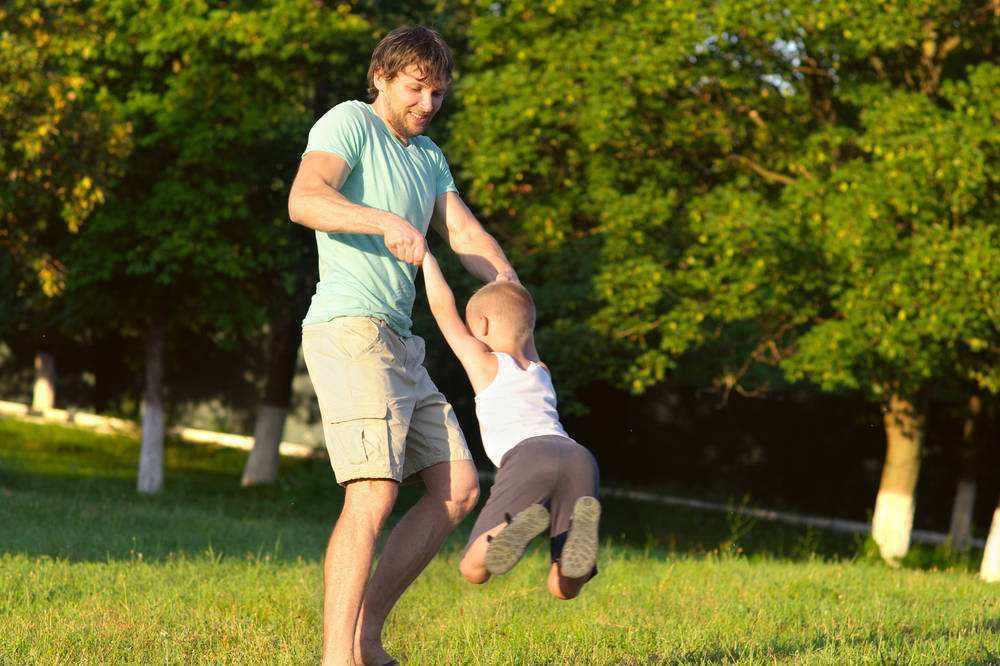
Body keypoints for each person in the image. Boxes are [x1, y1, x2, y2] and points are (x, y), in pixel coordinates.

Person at [287, 26, 517, 666]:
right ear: (384, 76)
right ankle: (337, 658)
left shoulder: (429, 157)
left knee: (458, 486)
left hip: (400, 340)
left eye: (437, 93)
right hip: (350, 328)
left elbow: (464, 232)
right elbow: (305, 199)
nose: (427, 103)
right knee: (373, 490)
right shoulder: (350, 123)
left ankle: (364, 638)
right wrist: (383, 220)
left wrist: (509, 287)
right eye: (417, 88)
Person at [420, 251, 601, 600]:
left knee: (473, 570)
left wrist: (427, 259)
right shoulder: (539, 368)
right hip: (578, 456)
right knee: (563, 588)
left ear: (482, 327)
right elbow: (522, 321)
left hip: (529, 456)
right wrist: (507, 276)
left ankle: (514, 530)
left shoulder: (485, 363)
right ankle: (574, 558)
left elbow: (444, 312)